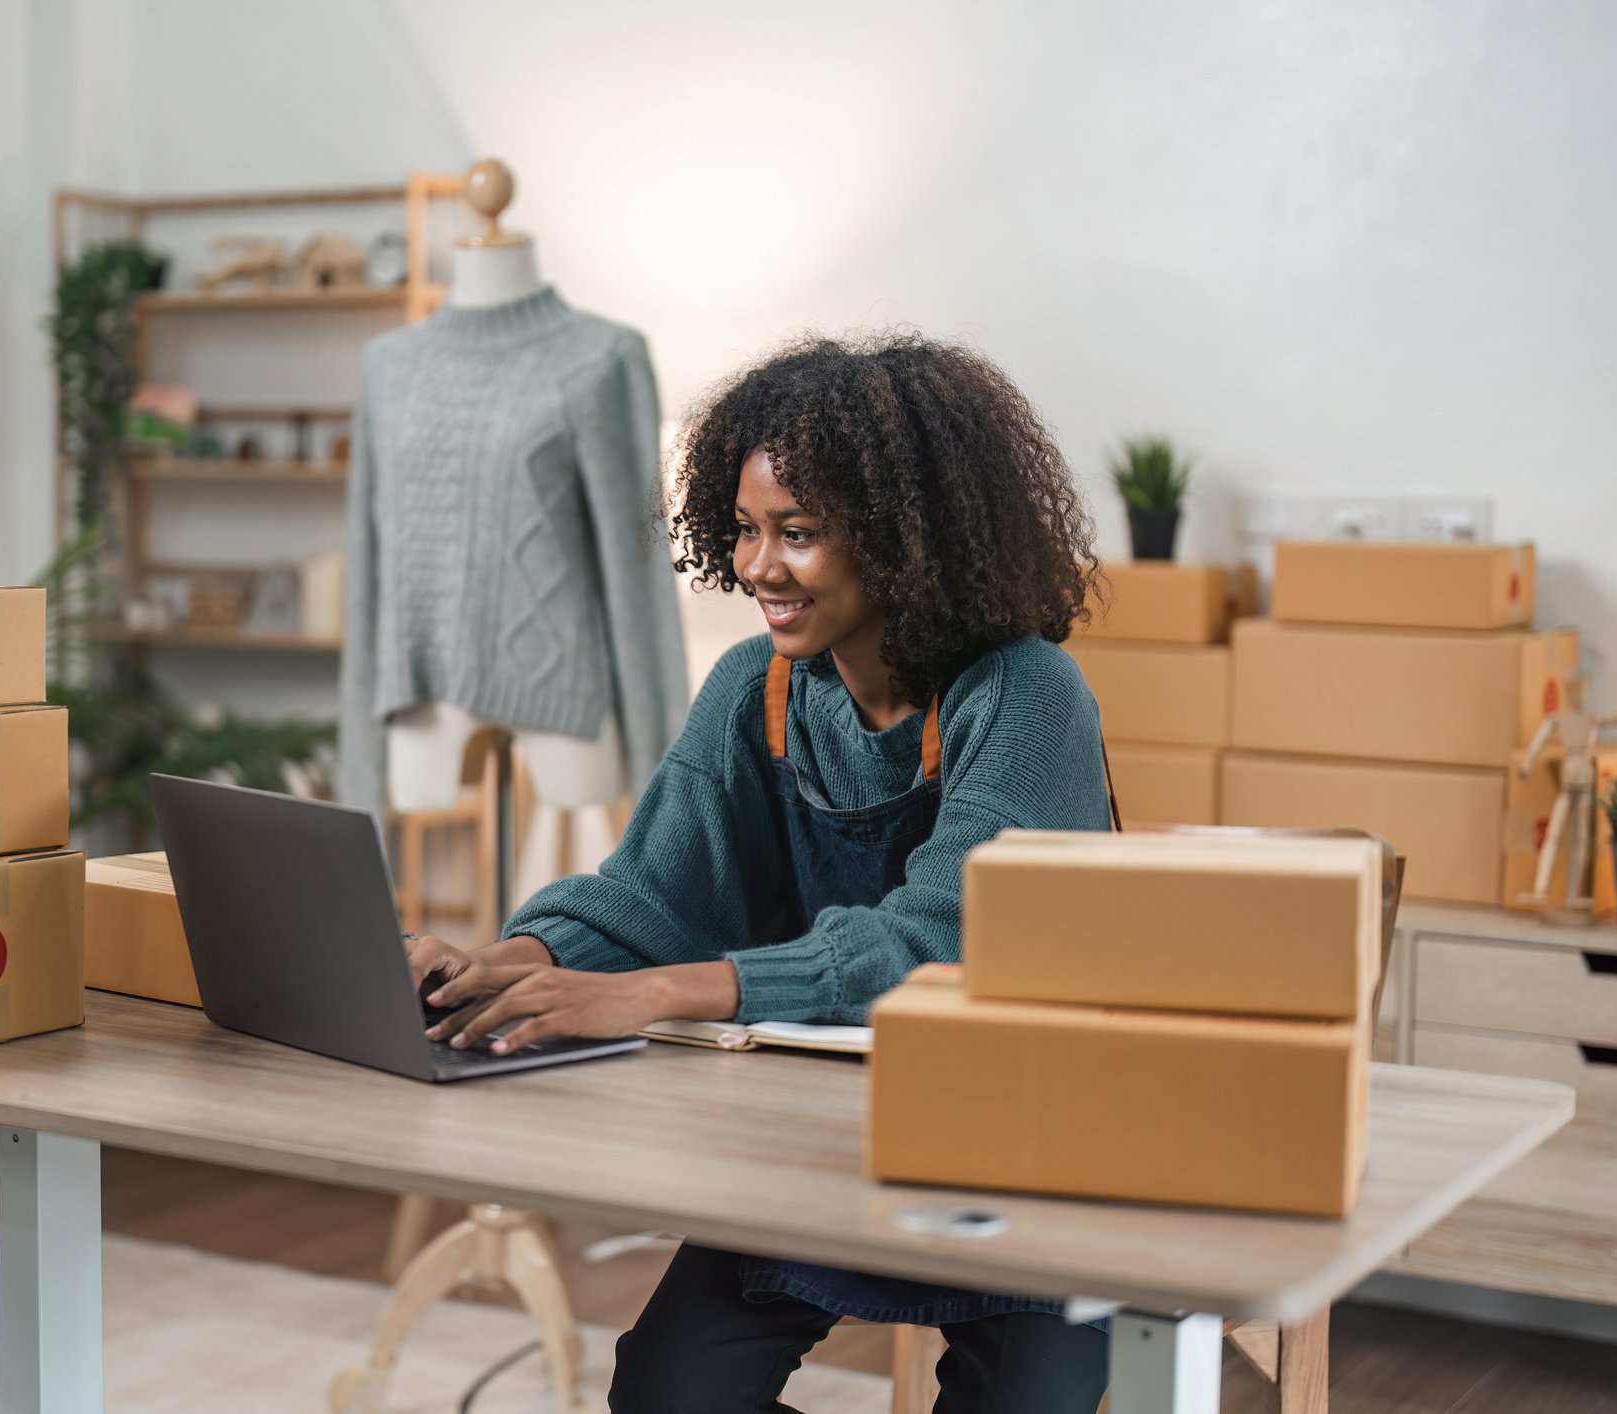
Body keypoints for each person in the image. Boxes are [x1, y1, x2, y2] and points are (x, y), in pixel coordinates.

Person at [406, 331, 1113, 1413]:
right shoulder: (756, 688)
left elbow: (943, 938)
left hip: (1031, 1150)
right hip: (829, 1137)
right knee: (663, 1392)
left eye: (800, 533)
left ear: (904, 538)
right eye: (743, 530)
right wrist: (508, 962)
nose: (757, 567)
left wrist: (651, 992)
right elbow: (650, 893)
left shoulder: (1025, 693)